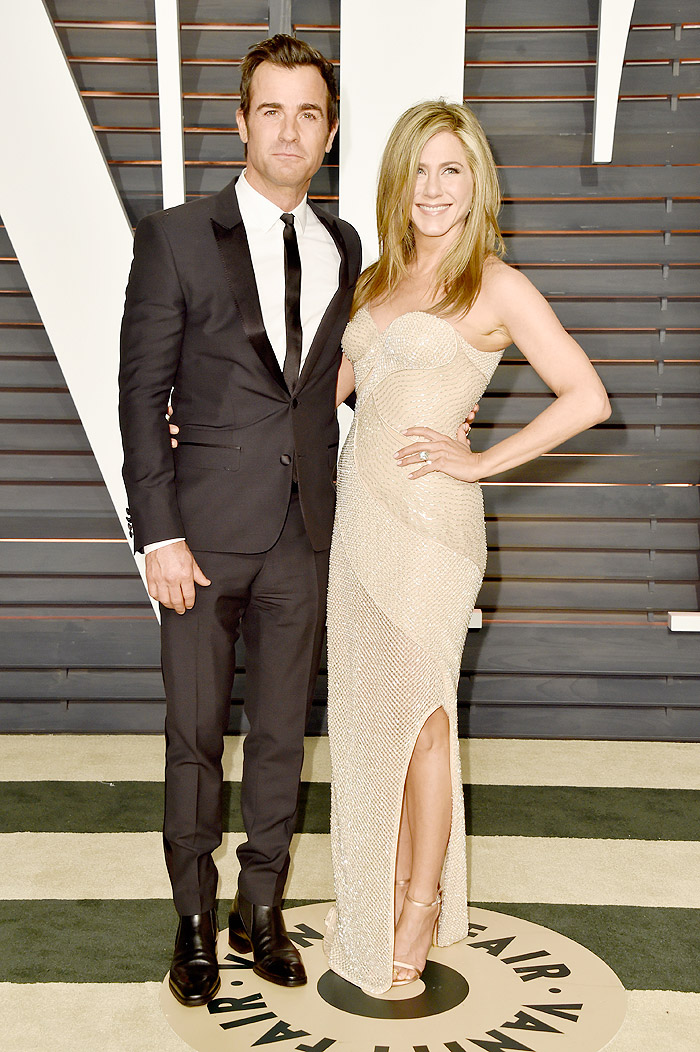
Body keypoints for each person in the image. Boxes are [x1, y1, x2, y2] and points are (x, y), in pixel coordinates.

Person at [324, 100, 611, 995]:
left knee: (423, 720)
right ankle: (380, 894)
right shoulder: (373, 284)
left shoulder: (494, 283)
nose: (434, 188)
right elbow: (313, 395)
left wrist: (483, 459)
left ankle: (417, 905)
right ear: (397, 181)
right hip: (357, 527)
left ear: (476, 182)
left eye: (452, 169)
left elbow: (585, 395)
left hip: (430, 535)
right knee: (373, 726)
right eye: (419, 168)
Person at [118, 35, 362, 1006]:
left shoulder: (344, 246)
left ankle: (259, 909)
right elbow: (140, 395)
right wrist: (157, 529)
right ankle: (191, 916)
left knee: (279, 737)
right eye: (272, 110)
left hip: (307, 535)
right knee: (192, 734)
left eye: (309, 113)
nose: (290, 129)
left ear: (329, 131)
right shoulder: (177, 237)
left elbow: (332, 380)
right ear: (240, 122)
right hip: (201, 538)